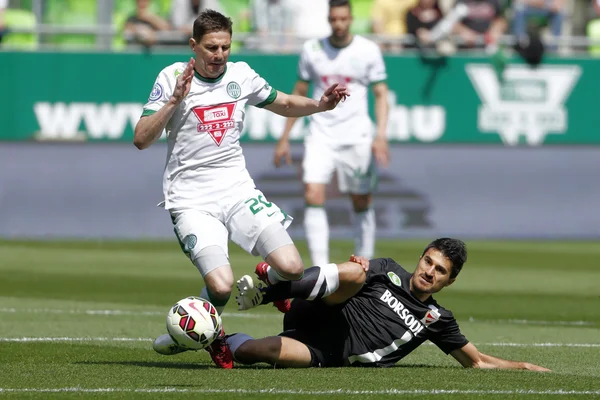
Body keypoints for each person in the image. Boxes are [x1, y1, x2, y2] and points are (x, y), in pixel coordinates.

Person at [134, 9, 349, 369]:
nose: (219, 55)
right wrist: (174, 99)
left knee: (293, 267)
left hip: (237, 190)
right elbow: (141, 139)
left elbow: (281, 101)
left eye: (225, 47)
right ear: (194, 46)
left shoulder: (241, 75)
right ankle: (213, 338)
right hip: (191, 200)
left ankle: (268, 282)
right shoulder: (172, 76)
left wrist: (320, 106)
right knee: (221, 287)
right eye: (211, 47)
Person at [230, 238, 551, 371]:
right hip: (323, 309)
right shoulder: (387, 270)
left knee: (256, 353)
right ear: (421, 257)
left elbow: (476, 362)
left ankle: (217, 339)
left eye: (440, 271)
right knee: (359, 269)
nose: (429, 272)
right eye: (428, 261)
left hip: (327, 351)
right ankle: (273, 290)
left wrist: (522, 367)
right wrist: (355, 271)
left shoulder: (436, 318)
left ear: (449, 282)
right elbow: (348, 279)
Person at [273, 0, 389, 268]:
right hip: (320, 134)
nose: (339, 24)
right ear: (329, 19)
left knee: (361, 199)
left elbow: (381, 94)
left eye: (343, 19)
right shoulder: (312, 50)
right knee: (313, 193)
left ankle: (365, 265)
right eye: (334, 19)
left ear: (351, 19)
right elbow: (298, 93)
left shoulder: (368, 50)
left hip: (357, 136)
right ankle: (322, 269)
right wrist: (285, 137)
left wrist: (380, 135)